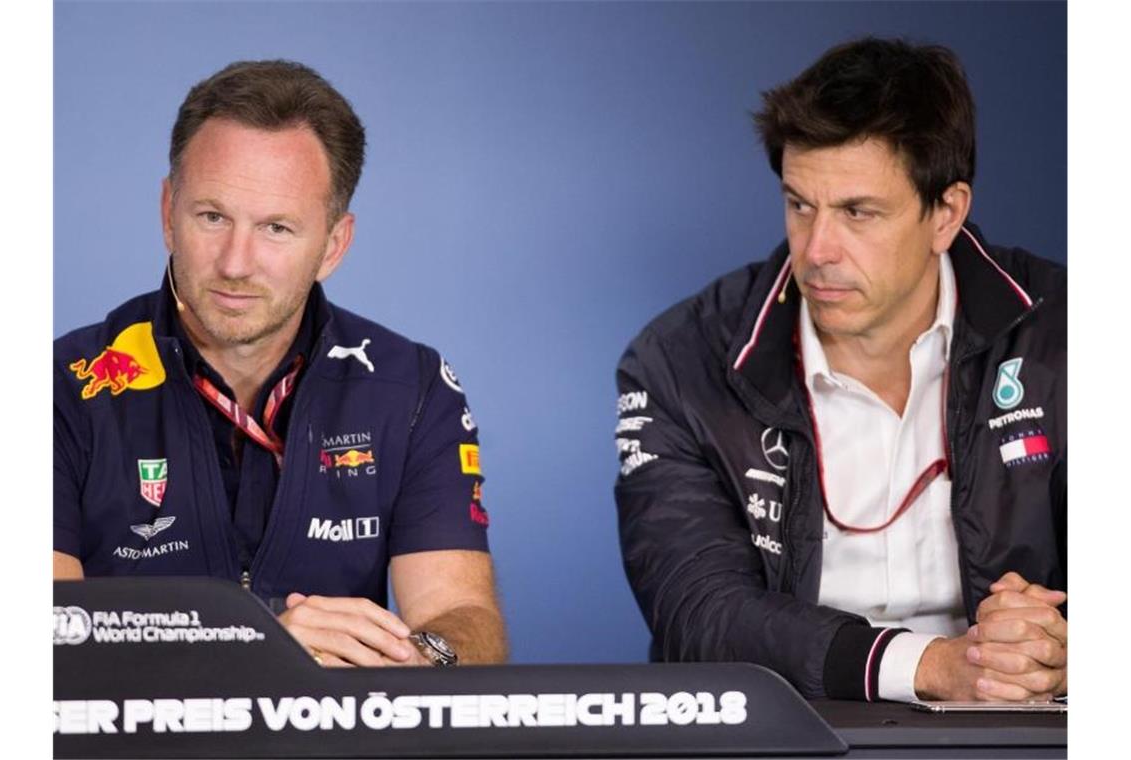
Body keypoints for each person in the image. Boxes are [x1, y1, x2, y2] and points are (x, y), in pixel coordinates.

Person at [613, 38, 1065, 702]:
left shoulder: (1073, 334)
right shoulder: (680, 360)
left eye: (858, 212)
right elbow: (700, 613)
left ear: (946, 213)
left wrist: (1057, 649)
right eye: (800, 205)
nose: (819, 250)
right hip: (783, 735)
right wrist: (931, 666)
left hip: (1020, 729)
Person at [54, 60, 507, 668]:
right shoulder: (57, 387)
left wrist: (420, 657)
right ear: (168, 212)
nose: (236, 262)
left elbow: (468, 622)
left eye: (277, 227)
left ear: (333, 245)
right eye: (212, 217)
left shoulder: (412, 389)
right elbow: (42, 642)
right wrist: (257, 651)